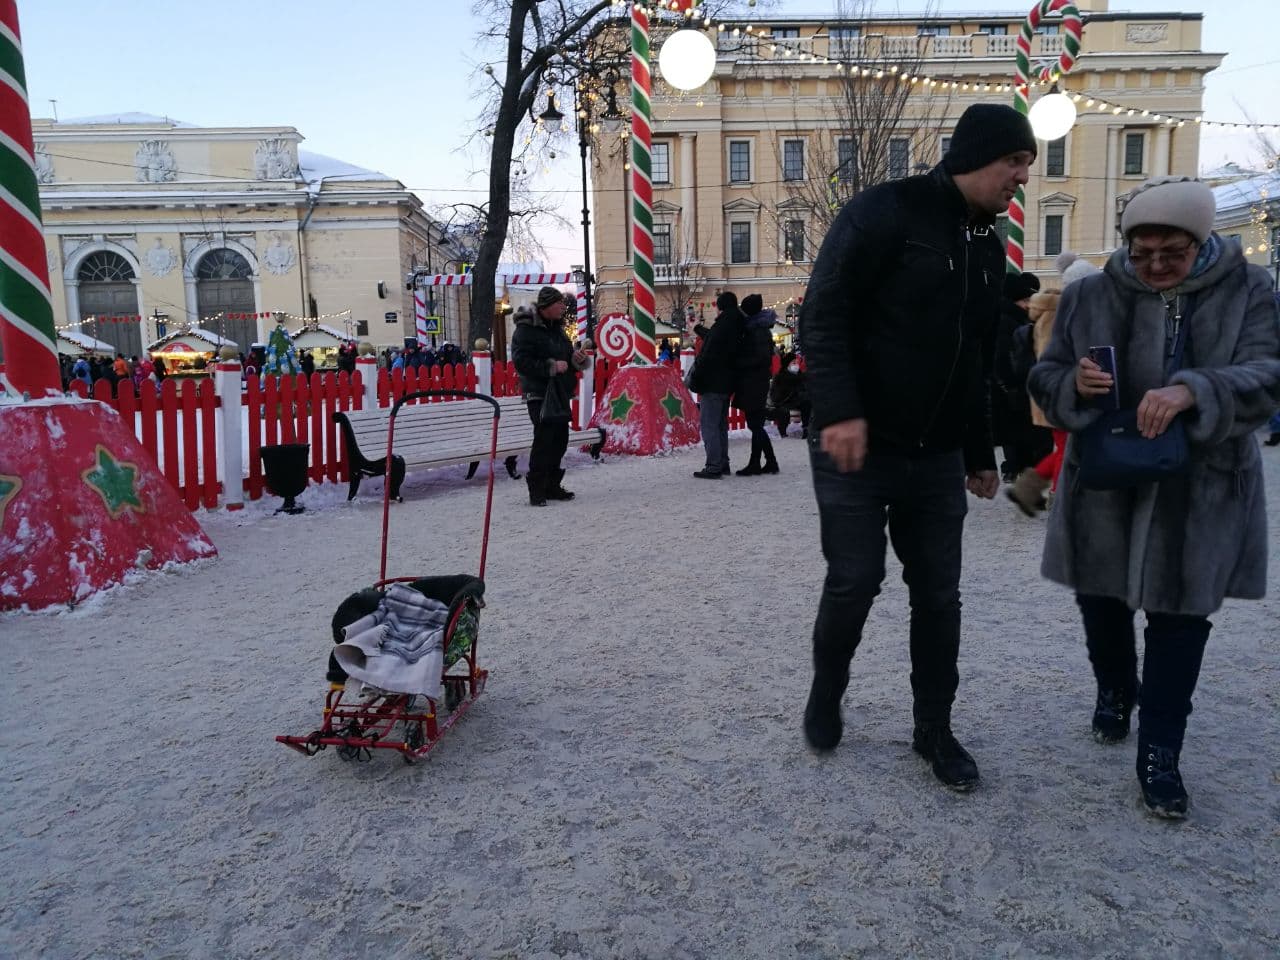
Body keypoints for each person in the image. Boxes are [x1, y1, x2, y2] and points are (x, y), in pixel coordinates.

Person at [798, 102, 1036, 791]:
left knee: (939, 595)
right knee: (856, 580)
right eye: (1014, 162)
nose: (1022, 177)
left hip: (935, 456)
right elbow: (826, 312)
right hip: (857, 446)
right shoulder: (884, 211)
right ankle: (827, 689)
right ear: (977, 155)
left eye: (1026, 165)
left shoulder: (989, 249)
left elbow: (978, 360)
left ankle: (933, 728)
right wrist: (840, 410)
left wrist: (978, 452)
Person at [1027, 176, 1280, 819]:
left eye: (1173, 253)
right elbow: (1044, 372)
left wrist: (1197, 389)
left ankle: (1161, 751)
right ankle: (1115, 688)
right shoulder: (1089, 294)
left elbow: (1268, 373)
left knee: (1181, 620)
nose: (1157, 266)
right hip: (1105, 482)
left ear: (1201, 242)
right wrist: (1072, 383)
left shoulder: (1250, 290)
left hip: (1202, 486)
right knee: (1102, 604)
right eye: (1143, 254)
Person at [1006, 251, 1102, 515]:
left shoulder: (1060, 312)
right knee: (1068, 445)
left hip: (1058, 391)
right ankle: (1060, 499)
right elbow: (1050, 358)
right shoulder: (1060, 316)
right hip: (1058, 392)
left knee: (1067, 444)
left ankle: (1028, 488)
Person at [511, 286, 591, 506]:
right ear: (547, 306)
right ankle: (537, 489)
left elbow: (567, 359)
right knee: (544, 440)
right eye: (559, 304)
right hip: (539, 393)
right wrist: (552, 366)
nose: (563, 308)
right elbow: (521, 362)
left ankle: (552, 486)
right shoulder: (526, 329)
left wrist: (576, 358)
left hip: (559, 393)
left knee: (560, 440)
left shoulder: (557, 329)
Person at [992, 270, 1049, 482]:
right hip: (1016, 388)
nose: (1030, 304)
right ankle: (1020, 470)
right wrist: (1011, 385)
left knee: (1020, 433)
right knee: (1022, 433)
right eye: (1026, 300)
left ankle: (1018, 469)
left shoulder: (1019, 319)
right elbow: (1003, 357)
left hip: (1019, 387)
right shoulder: (1009, 322)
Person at [689, 291, 744, 478]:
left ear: (720, 307)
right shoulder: (735, 325)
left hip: (712, 383)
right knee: (720, 425)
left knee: (709, 425)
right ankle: (723, 463)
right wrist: (697, 328)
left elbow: (709, 355)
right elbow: (713, 338)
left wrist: (697, 379)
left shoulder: (722, 326)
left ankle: (713, 465)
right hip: (727, 383)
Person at [734, 294, 779, 475]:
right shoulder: (757, 328)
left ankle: (758, 462)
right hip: (755, 380)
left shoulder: (757, 331)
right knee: (756, 424)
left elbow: (760, 358)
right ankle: (769, 461)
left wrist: (740, 362)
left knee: (755, 424)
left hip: (755, 381)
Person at [770, 351, 809, 438]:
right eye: (793, 363)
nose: (796, 365)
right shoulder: (781, 376)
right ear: (787, 364)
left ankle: (806, 428)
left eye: (796, 362)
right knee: (783, 410)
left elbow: (804, 389)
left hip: (797, 401)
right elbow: (776, 393)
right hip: (785, 401)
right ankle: (782, 431)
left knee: (807, 403)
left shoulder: (800, 376)